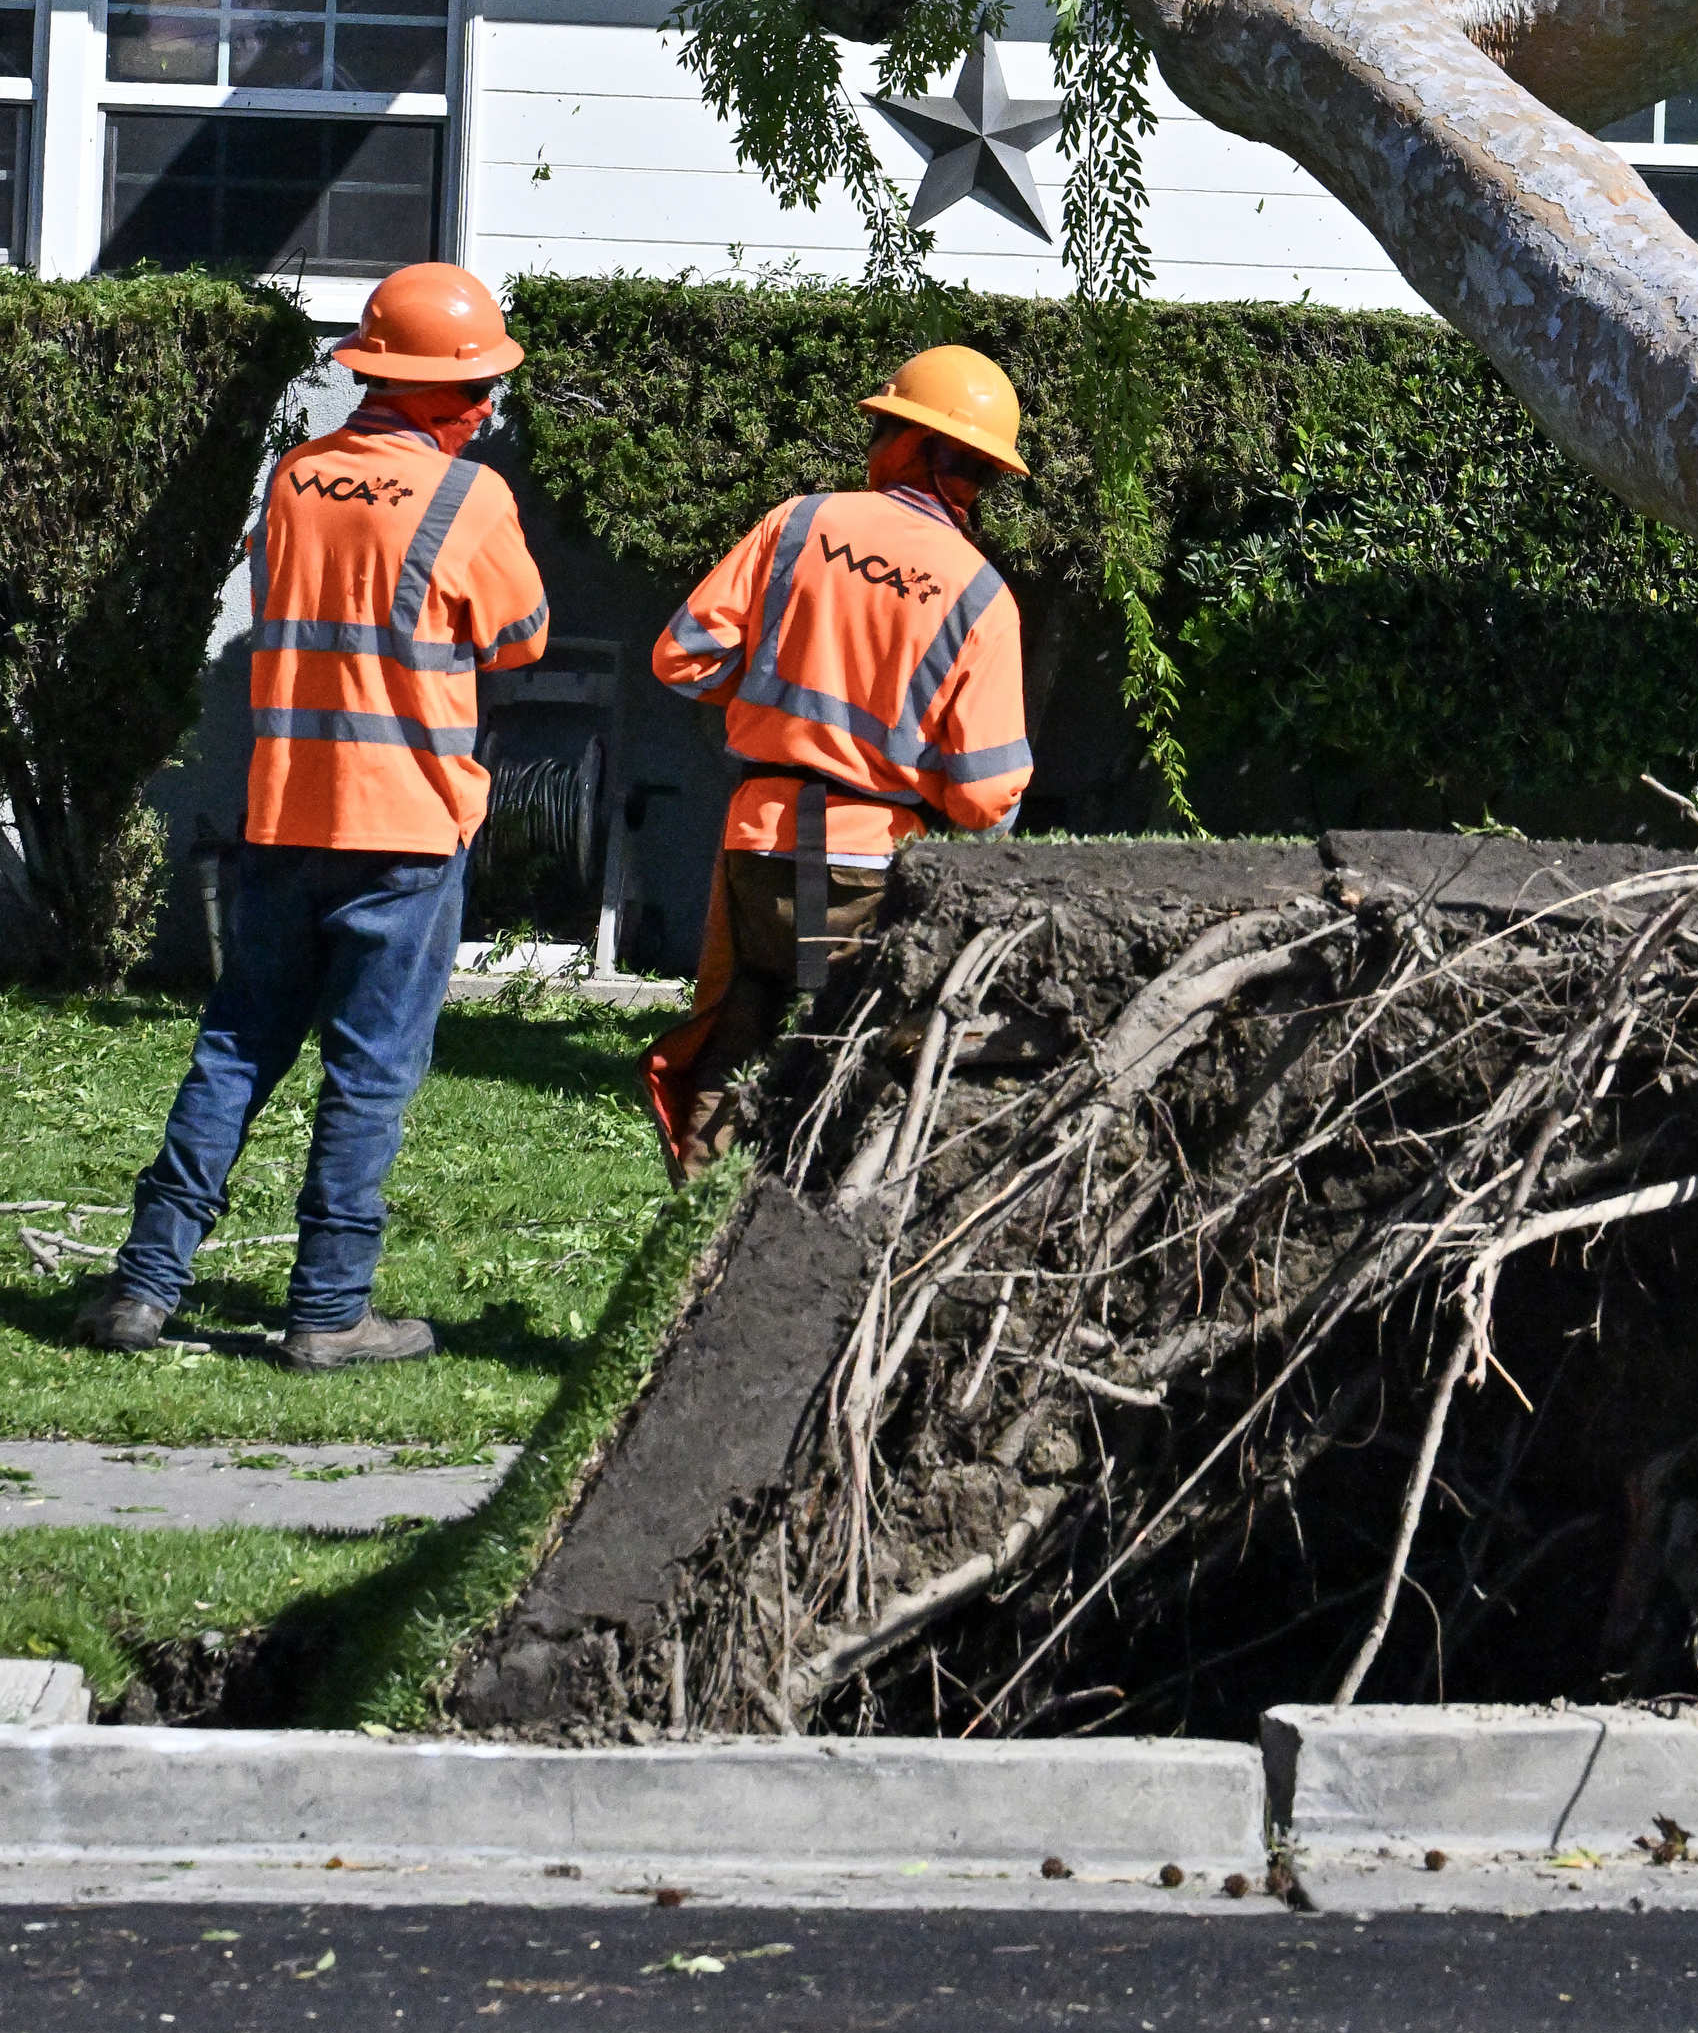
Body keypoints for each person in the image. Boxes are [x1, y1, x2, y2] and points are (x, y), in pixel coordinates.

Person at [74, 265, 548, 1369]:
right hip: (410, 828)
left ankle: (143, 1288)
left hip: (287, 815)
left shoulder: (296, 478)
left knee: (237, 1047)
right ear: (428, 390)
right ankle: (329, 1311)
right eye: (473, 384)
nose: (484, 404)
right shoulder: (470, 496)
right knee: (369, 1073)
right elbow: (519, 634)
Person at [642, 343, 1034, 1176]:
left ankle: (696, 1207)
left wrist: (774, 701)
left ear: (907, 443)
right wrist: (914, 767)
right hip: (868, 860)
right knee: (847, 1053)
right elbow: (987, 793)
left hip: (756, 838)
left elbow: (683, 657)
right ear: (976, 475)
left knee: (739, 1028)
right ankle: (810, 1222)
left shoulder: (798, 524)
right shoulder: (981, 595)